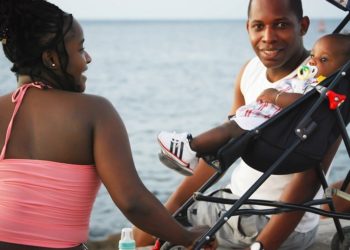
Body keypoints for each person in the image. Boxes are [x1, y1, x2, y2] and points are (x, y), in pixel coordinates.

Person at [0, 1, 215, 249]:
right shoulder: (95, 112)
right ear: (51, 58)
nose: (88, 58)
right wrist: (187, 237)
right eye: (80, 49)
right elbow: (132, 201)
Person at [134, 0, 345, 249]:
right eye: (258, 26)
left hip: (276, 219)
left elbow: (308, 181)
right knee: (142, 234)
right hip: (236, 201)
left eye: (281, 25)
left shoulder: (321, 84)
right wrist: (174, 204)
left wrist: (263, 245)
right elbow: (224, 150)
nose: (268, 37)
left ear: (303, 26)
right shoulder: (250, 71)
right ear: (248, 28)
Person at [157, 33, 350, 176]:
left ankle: (190, 146)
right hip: (273, 127)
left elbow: (304, 104)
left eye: (323, 59)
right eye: (313, 55)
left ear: (342, 70)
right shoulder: (315, 79)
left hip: (278, 136)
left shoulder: (326, 90)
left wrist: (275, 96)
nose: (314, 62)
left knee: (229, 129)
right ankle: (196, 157)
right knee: (231, 129)